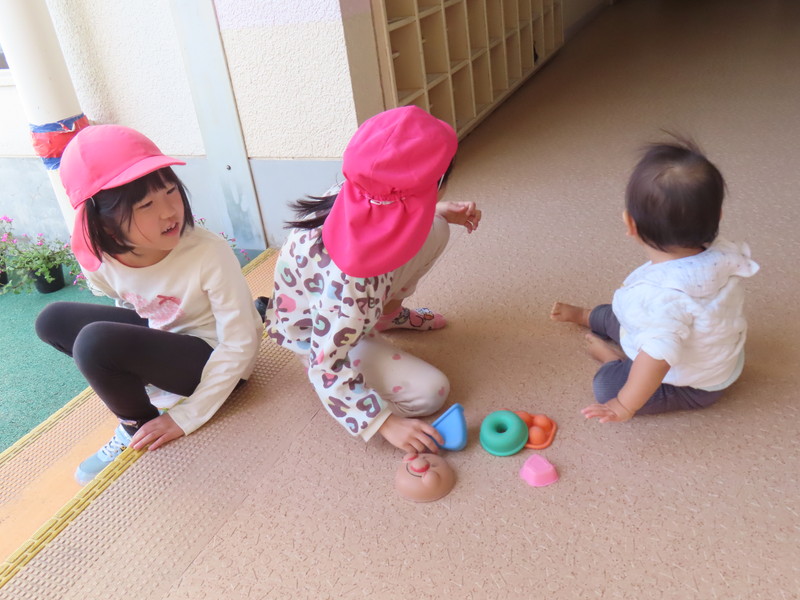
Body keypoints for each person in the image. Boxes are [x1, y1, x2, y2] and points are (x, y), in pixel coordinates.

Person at [35, 124, 262, 485]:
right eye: (146, 205)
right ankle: (142, 408)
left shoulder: (208, 252)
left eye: (171, 191)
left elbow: (240, 343)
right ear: (106, 223)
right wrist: (134, 359)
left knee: (95, 342)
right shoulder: (100, 261)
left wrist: (185, 417)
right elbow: (131, 305)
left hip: (214, 354)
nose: (170, 211)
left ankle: (137, 425)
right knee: (52, 320)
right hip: (165, 337)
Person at [264, 106, 482, 454]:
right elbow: (326, 363)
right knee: (431, 392)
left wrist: (433, 209)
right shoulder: (354, 284)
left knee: (436, 227)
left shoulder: (365, 185)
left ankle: (384, 317)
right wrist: (383, 423)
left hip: (349, 305)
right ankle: (351, 369)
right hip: (321, 337)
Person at [551, 137, 759, 423]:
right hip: (705, 348)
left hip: (693, 385)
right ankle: (588, 316)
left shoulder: (663, 300)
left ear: (630, 224)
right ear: (718, 217)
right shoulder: (722, 254)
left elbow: (657, 358)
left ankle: (613, 359)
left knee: (606, 387)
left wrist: (623, 404)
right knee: (617, 316)